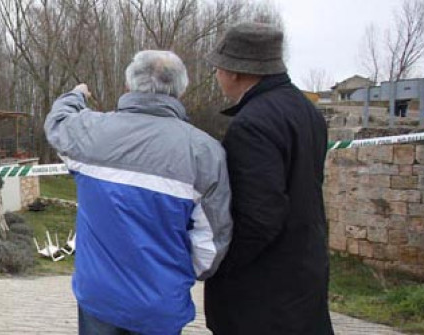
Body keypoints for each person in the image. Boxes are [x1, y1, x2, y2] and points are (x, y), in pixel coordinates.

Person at [45, 50, 232, 334]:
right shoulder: (204, 152)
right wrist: (176, 275)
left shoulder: (90, 132)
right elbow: (211, 243)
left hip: (100, 298)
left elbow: (57, 123)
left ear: (129, 86)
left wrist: (76, 95)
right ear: (180, 90)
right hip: (160, 304)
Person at [203, 22, 334, 334]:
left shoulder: (252, 124)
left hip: (263, 291)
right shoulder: (306, 110)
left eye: (218, 68)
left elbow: (259, 217)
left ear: (235, 71)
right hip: (304, 270)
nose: (217, 76)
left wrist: (222, 263)